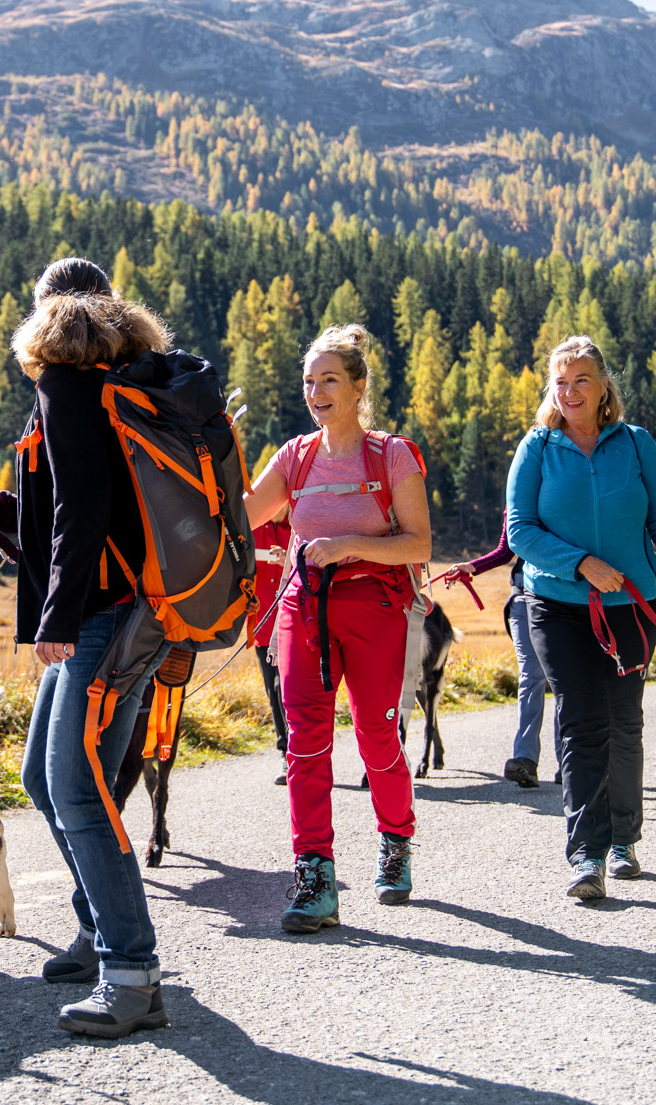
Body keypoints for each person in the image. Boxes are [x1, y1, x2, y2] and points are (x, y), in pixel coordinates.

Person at [0, 257, 173, 1039]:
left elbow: (83, 511)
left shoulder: (65, 380)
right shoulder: (121, 380)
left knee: (76, 787)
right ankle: (99, 923)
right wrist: (8, 514)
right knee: (43, 780)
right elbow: (78, 510)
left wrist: (54, 615)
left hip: (104, 618)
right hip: (120, 609)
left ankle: (133, 970)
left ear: (48, 311)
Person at [505, 335, 656, 901]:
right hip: (557, 608)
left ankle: (623, 838)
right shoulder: (536, 448)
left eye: (581, 380)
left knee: (623, 722)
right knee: (581, 721)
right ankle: (586, 854)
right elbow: (521, 531)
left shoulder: (636, 445)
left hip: (632, 608)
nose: (569, 392)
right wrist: (581, 563)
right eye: (560, 382)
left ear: (604, 384)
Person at [243, 324, 432, 934]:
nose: (316, 392)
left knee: (378, 735)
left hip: (374, 608)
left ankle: (396, 839)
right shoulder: (294, 457)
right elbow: (241, 515)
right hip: (303, 609)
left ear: (357, 388)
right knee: (304, 742)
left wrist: (346, 543)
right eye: (309, 381)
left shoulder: (390, 455)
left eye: (329, 380)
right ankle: (315, 875)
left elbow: (420, 543)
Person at [448, 520, 555, 788]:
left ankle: (570, 763)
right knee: (531, 676)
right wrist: (471, 567)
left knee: (564, 680)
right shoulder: (518, 488)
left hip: (562, 599)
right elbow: (506, 551)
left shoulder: (566, 486)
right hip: (522, 598)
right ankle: (525, 760)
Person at [249, 510, 294, 784]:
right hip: (263, 627)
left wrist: (287, 558)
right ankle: (286, 753)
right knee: (272, 690)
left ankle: (303, 752)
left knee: (286, 688)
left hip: (296, 624)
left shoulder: (300, 526)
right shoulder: (252, 526)